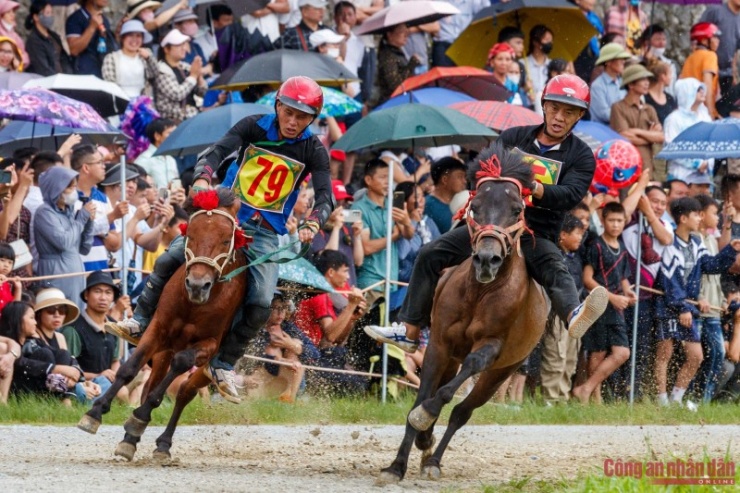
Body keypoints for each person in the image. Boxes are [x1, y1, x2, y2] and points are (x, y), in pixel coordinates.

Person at [105, 76, 333, 402]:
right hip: (227, 218)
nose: (293, 122)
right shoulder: (253, 126)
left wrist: (313, 222)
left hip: (267, 233)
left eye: (302, 117)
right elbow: (216, 152)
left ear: (312, 119)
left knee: (260, 301)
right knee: (172, 256)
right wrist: (202, 177)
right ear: (278, 106)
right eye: (289, 112)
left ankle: (223, 362)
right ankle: (139, 321)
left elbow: (326, 198)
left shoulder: (314, 150)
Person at [365, 74, 609, 353]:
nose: (559, 117)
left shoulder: (582, 156)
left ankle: (572, 314)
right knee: (429, 253)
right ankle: (409, 329)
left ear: (579, 116)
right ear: (544, 105)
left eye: (568, 112)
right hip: (490, 225)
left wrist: (535, 189)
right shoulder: (513, 137)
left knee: (555, 266)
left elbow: (571, 194)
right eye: (554, 108)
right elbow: (478, 171)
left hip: (536, 232)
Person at [655, 197, 740, 410]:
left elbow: (710, 266)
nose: (699, 218)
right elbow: (669, 281)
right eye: (696, 214)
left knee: (696, 356)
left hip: (687, 307)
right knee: (664, 354)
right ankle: (661, 400)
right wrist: (682, 307)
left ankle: (676, 399)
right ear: (683, 218)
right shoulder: (670, 244)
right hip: (669, 306)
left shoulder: (696, 242)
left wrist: (731, 249)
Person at [572, 202, 635, 404]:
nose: (616, 225)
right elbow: (588, 279)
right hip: (599, 304)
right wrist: (612, 297)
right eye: (611, 220)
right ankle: (594, 398)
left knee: (621, 352)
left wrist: (628, 291)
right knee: (597, 352)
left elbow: (623, 277)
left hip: (615, 307)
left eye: (619, 221)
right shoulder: (596, 246)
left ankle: (586, 389)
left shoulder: (622, 248)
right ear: (602, 220)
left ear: (625, 221)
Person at [351, 159, 414, 304]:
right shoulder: (359, 207)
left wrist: (406, 222)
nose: (387, 182)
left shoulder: (394, 204)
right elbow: (366, 247)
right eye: (382, 177)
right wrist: (393, 236)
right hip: (371, 281)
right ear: (368, 180)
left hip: (392, 281)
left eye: (389, 178)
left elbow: (408, 235)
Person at [540, 214, 586, 403]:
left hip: (576, 313)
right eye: (577, 234)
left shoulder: (575, 257)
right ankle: (549, 400)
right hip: (558, 314)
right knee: (555, 357)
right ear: (563, 235)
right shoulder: (553, 256)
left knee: (570, 359)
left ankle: (562, 398)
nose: (580, 239)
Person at [60, 271, 127, 402]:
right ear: (86, 295)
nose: (103, 297)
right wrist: (99, 375)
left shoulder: (114, 326)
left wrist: (115, 377)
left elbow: (115, 360)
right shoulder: (73, 329)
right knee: (122, 392)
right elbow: (67, 369)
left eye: (108, 292)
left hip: (110, 380)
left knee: (144, 377)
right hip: (86, 384)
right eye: (97, 291)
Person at [34, 167, 95, 307]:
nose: (74, 192)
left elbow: (84, 248)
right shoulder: (44, 212)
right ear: (57, 189)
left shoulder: (69, 213)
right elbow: (64, 242)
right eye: (69, 188)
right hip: (56, 273)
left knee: (76, 316)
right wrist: (81, 219)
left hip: (75, 274)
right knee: (59, 314)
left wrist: (89, 221)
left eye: (74, 187)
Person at [693, 194, 726, 403]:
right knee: (704, 355)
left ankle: (703, 400)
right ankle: (695, 399)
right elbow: (697, 273)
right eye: (715, 214)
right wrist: (699, 297)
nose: (718, 218)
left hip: (714, 307)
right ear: (702, 214)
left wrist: (722, 298)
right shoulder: (696, 239)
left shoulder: (712, 240)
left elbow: (717, 275)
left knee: (717, 354)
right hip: (701, 307)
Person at [71, 144, 121, 273]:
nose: (104, 166)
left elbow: (115, 244)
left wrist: (102, 232)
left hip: (100, 271)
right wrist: (111, 217)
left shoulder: (103, 198)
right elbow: (72, 235)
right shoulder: (69, 197)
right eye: (99, 162)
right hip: (76, 270)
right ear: (86, 168)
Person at [610, 64, 664, 176]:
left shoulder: (649, 109)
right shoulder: (618, 107)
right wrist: (650, 136)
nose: (647, 83)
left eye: (647, 79)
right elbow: (625, 137)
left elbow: (660, 137)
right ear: (630, 84)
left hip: (649, 167)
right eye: (642, 79)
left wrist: (637, 131)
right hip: (627, 167)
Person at [309, 180, 363, 286]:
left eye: (344, 203)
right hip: (328, 291)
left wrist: (357, 236)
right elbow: (329, 260)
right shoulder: (316, 228)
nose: (341, 208)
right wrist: (336, 228)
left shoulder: (346, 229)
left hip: (348, 288)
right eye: (337, 203)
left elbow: (358, 261)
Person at [664, 78, 713, 184]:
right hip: (681, 176)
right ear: (686, 92)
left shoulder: (705, 117)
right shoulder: (674, 119)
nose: (702, 91)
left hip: (704, 176)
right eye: (697, 89)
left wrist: (707, 163)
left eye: (702, 88)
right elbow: (671, 148)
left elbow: (712, 144)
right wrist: (697, 164)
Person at [155, 29, 208, 123]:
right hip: (173, 122)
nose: (184, 48)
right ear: (166, 49)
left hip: (192, 116)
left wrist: (199, 77)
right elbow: (177, 94)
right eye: (179, 45)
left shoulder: (184, 67)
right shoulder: (161, 70)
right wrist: (193, 76)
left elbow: (202, 93)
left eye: (184, 44)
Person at [698, 0, 740, 110]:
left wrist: (734, 73)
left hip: (727, 73)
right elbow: (698, 35)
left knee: (726, 110)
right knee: (707, 108)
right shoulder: (715, 10)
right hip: (708, 70)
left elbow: (736, 49)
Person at [101, 20, 156, 99]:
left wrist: (149, 59)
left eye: (138, 36)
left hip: (141, 103)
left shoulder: (145, 56)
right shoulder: (111, 58)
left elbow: (155, 76)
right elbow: (110, 85)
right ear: (123, 38)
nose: (134, 39)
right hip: (120, 102)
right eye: (130, 35)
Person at [372, 24, 421, 108]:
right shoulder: (388, 56)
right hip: (391, 104)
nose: (406, 35)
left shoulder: (396, 52)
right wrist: (412, 64)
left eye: (406, 31)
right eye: (402, 31)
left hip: (400, 101)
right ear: (389, 34)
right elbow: (395, 84)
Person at [679, 22, 721, 120]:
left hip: (689, 110)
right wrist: (711, 113)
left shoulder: (690, 58)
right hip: (703, 111)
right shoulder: (710, 55)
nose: (718, 41)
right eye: (715, 37)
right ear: (704, 41)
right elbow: (708, 85)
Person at [65, 0, 118, 77]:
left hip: (102, 71)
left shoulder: (104, 20)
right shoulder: (76, 18)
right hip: (83, 73)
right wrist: (92, 27)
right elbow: (74, 50)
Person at [430, 0, 487, 68]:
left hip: (463, 45)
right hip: (444, 44)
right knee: (444, 76)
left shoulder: (472, 2)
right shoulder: (438, 2)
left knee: (464, 75)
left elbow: (485, 13)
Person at [589, 42, 632, 124]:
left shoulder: (622, 82)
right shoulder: (597, 86)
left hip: (622, 127)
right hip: (603, 131)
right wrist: (629, 116)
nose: (623, 61)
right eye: (620, 58)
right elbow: (604, 114)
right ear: (608, 62)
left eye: (624, 58)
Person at [24, 0, 70, 76]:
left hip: (62, 79)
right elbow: (43, 68)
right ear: (36, 17)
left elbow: (64, 59)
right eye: (47, 13)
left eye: (51, 13)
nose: (51, 16)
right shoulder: (34, 41)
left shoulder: (54, 36)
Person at [424, 157, 467, 233]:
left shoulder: (462, 202)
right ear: (445, 180)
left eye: (464, 177)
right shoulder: (427, 206)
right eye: (460, 177)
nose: (464, 181)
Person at [134, 118, 180, 189]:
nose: (175, 137)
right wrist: (166, 192)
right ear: (157, 136)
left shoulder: (171, 160)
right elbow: (138, 188)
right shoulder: (145, 159)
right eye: (170, 133)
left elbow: (175, 187)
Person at [640, 24, 677, 96]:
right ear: (647, 42)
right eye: (658, 39)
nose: (662, 43)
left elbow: (672, 90)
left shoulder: (670, 64)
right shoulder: (639, 62)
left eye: (664, 39)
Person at [524, 24, 553, 114]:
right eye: (546, 40)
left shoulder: (551, 65)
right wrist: (525, 90)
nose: (550, 43)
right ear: (535, 42)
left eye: (551, 40)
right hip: (529, 109)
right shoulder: (523, 64)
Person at [644, 59, 677, 126]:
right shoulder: (644, 97)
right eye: (670, 74)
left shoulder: (670, 98)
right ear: (663, 76)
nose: (672, 77)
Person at [0, 0, 28, 67]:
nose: (12, 15)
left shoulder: (15, 35)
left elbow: (25, 56)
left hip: (13, 73)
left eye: (13, 11)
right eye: (8, 12)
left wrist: (20, 61)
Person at [0, 242, 21, 313]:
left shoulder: (6, 284)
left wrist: (18, 288)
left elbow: (14, 309)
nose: (6, 265)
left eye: (10, 262)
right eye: (2, 260)